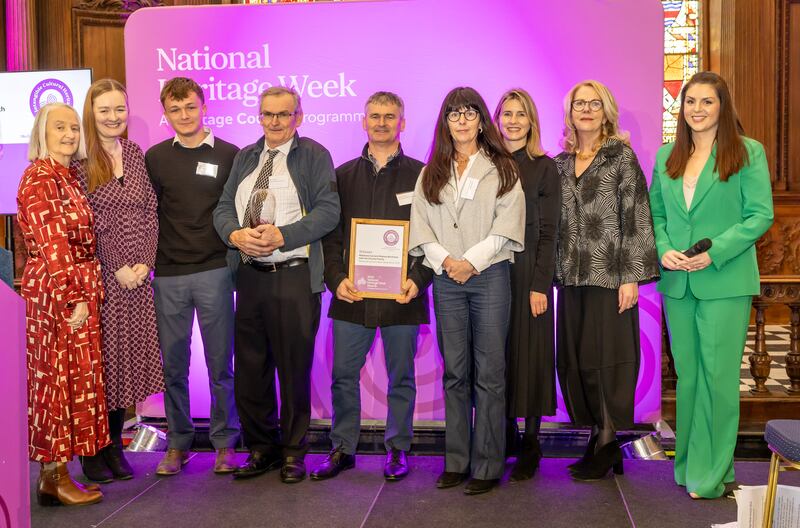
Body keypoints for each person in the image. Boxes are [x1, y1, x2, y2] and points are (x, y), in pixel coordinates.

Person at [650, 71, 773, 499]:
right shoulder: (667, 156)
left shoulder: (747, 153)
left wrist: (715, 250)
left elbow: (759, 215)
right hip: (677, 282)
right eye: (690, 102)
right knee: (688, 378)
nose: (697, 110)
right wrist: (664, 247)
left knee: (718, 378)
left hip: (724, 278)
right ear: (680, 109)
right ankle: (689, 465)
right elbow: (658, 217)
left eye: (707, 102)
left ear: (723, 107)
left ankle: (712, 471)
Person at [213, 86, 340, 483]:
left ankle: (294, 452)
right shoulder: (246, 157)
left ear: (298, 117)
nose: (274, 122)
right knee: (251, 369)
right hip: (250, 277)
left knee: (293, 369)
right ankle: (261, 448)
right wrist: (235, 235)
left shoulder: (314, 155)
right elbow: (221, 208)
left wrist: (283, 235)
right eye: (267, 114)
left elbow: (329, 211)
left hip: (294, 277)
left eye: (283, 115)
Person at [311, 91, 432, 482]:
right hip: (352, 295)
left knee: (402, 377)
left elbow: (434, 235)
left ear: (402, 123)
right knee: (343, 376)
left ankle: (398, 449)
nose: (381, 122)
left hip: (402, 297)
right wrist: (336, 279)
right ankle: (342, 448)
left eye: (390, 116)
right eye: (375, 116)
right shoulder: (341, 176)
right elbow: (329, 237)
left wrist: (417, 279)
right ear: (363, 122)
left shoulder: (423, 174)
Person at [409, 86, 524, 495]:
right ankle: (456, 461)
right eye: (454, 113)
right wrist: (447, 263)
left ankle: (488, 466)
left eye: (469, 112)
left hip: (489, 277)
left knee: (490, 374)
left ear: (480, 120)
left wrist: (470, 261)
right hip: (446, 281)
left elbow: (507, 225)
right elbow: (421, 227)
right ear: (446, 121)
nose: (461, 119)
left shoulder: (503, 167)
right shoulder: (431, 171)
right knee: (455, 372)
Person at [553, 80, 659, 481]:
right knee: (579, 359)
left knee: (605, 362)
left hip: (610, 276)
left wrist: (631, 277)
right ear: (570, 112)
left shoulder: (621, 157)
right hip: (571, 278)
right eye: (580, 103)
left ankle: (607, 439)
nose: (586, 110)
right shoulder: (560, 162)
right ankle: (598, 435)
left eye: (594, 103)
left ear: (606, 111)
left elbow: (636, 217)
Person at [145, 77, 241, 476]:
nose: (184, 116)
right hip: (168, 274)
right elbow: (147, 214)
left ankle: (224, 443)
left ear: (204, 107)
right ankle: (178, 444)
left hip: (215, 270)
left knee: (221, 364)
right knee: (173, 366)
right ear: (165, 115)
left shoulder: (231, 154)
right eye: (175, 110)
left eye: (190, 107)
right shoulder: (154, 158)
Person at [74, 79, 164, 483]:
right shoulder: (78, 160)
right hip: (102, 284)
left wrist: (145, 262)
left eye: (119, 110)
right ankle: (93, 451)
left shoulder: (134, 152)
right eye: (104, 111)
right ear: (91, 115)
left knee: (125, 366)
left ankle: (113, 443)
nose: (114, 118)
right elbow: (86, 226)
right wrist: (115, 269)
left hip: (138, 281)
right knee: (100, 368)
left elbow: (149, 212)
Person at [18, 102, 107, 506]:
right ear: (42, 132)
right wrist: (75, 298)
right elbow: (54, 246)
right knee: (54, 383)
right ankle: (53, 474)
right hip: (58, 292)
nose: (70, 134)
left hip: (72, 285)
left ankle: (56, 476)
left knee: (71, 383)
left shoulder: (66, 175)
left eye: (74, 127)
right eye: (60, 127)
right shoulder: (40, 177)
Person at [493, 88, 560, 481]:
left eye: (521, 114)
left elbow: (550, 232)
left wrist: (541, 285)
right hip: (492, 272)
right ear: (497, 120)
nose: (513, 121)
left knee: (532, 355)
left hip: (529, 274)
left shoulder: (543, 167)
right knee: (495, 355)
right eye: (507, 114)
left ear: (531, 121)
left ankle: (531, 443)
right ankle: (505, 435)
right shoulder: (486, 164)